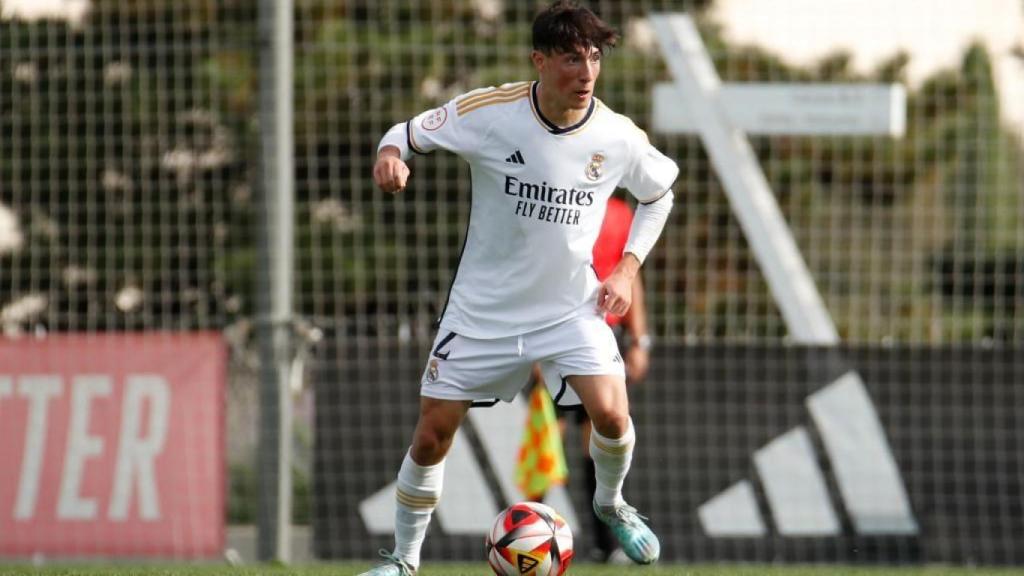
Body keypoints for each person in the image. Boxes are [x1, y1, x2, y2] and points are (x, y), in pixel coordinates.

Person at [362, 1, 677, 574]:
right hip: (483, 312)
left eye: (594, 59)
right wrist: (390, 157)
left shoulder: (617, 135)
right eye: (570, 59)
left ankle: (611, 504)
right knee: (432, 435)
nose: (585, 73)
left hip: (571, 310)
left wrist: (627, 269)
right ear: (538, 60)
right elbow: (404, 134)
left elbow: (659, 194)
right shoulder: (491, 112)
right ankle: (404, 562)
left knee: (611, 416)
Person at [540, 194, 653, 564]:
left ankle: (607, 545)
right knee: (546, 443)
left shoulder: (622, 213)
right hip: (554, 331)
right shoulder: (559, 200)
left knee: (602, 437)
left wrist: (638, 340)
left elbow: (632, 278)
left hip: (603, 338)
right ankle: (528, 540)